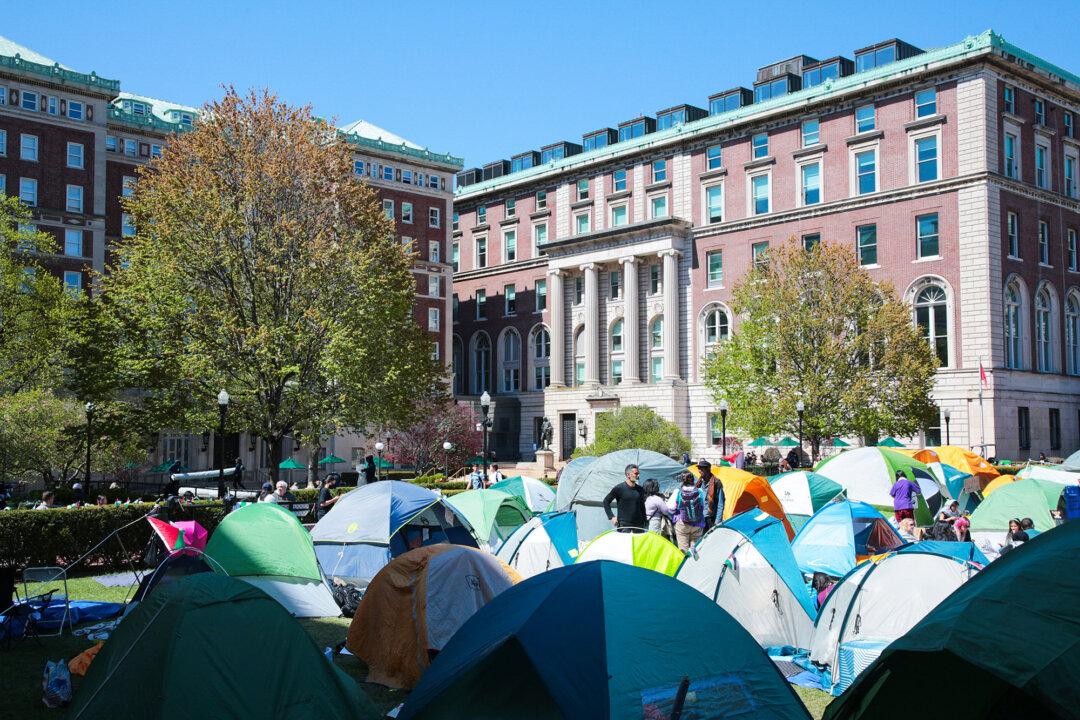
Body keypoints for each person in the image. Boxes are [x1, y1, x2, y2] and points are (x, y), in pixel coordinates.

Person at [669, 472, 706, 551]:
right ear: (693, 480)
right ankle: (695, 562)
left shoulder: (678, 491)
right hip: (698, 524)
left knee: (683, 550)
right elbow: (703, 505)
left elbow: (671, 508)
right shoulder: (699, 491)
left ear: (682, 481)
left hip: (683, 524)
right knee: (696, 549)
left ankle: (685, 561)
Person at [602, 464, 646, 530]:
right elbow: (606, 501)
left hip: (639, 526)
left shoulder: (640, 489)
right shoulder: (619, 488)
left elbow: (642, 506)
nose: (638, 475)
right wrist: (612, 517)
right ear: (628, 475)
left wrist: (644, 520)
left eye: (638, 473)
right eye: (636, 473)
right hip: (624, 526)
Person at [700, 460, 725, 529]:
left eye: (702, 469)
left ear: (708, 470)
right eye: (699, 469)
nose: (699, 471)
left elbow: (721, 503)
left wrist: (717, 521)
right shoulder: (699, 482)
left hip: (711, 518)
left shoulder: (716, 482)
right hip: (700, 518)